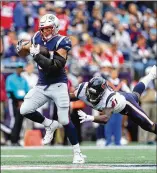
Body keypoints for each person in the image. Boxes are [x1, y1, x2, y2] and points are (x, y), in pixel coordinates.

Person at [16, 14, 84, 163]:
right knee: (24, 109)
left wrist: (36, 55)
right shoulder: (36, 37)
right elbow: (22, 52)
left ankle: (77, 153)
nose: (45, 31)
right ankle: (50, 125)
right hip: (42, 84)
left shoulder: (63, 41)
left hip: (58, 84)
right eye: (43, 29)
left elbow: (54, 66)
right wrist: (22, 46)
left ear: (55, 28)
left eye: (48, 28)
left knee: (65, 119)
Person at [73, 65, 157, 135]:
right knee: (136, 94)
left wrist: (89, 117)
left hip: (127, 104)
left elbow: (105, 118)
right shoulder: (82, 89)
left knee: (150, 126)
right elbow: (70, 97)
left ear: (102, 93)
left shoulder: (109, 98)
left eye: (95, 94)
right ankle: (151, 75)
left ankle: (151, 75)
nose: (91, 96)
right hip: (121, 97)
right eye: (90, 92)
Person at [6, 62, 30, 145]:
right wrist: (17, 102)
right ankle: (11, 139)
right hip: (13, 101)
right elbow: (10, 90)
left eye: (21, 68)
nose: (20, 69)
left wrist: (23, 101)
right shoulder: (10, 78)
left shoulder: (23, 79)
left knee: (20, 120)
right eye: (18, 68)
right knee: (14, 120)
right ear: (16, 69)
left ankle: (16, 139)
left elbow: (27, 91)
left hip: (22, 101)